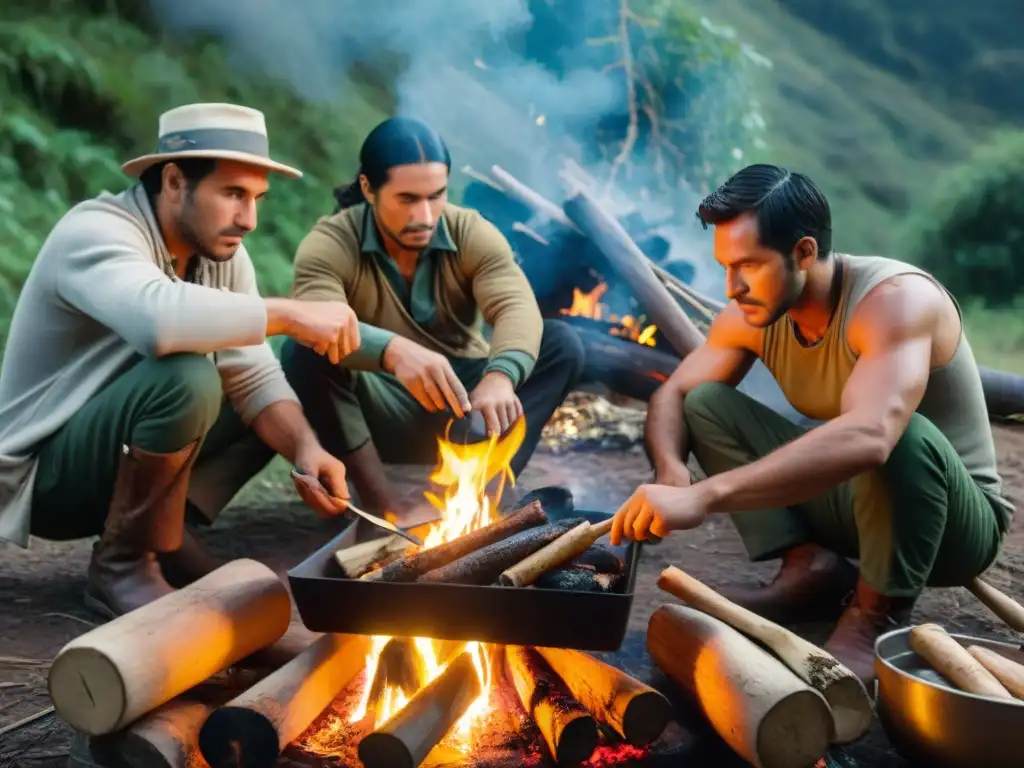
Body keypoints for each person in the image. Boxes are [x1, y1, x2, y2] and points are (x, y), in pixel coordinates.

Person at [610, 163, 1013, 681]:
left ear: (803, 252)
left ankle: (875, 615)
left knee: (897, 435)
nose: (731, 287)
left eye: (748, 266)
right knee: (706, 402)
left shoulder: (896, 301)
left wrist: (705, 497)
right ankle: (812, 568)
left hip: (953, 526)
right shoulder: (753, 313)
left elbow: (870, 437)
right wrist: (671, 471)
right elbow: (675, 394)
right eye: (725, 267)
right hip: (855, 501)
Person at [0, 102, 362, 618]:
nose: (250, 219)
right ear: (174, 181)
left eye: (257, 197)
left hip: (116, 451)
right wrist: (291, 314)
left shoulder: (219, 253)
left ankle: (166, 541)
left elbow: (252, 371)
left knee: (253, 387)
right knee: (188, 375)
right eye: (233, 194)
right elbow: (160, 324)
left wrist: (306, 449)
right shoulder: (95, 231)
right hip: (48, 475)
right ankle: (123, 564)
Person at [280, 117, 585, 526]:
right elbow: (315, 321)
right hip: (375, 409)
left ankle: (473, 496)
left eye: (436, 196)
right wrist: (391, 352)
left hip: (464, 408)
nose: (424, 215)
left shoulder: (471, 231)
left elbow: (515, 305)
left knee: (562, 343)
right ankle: (381, 506)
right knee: (302, 348)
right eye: (407, 199)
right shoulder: (330, 243)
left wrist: (500, 377)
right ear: (369, 188)